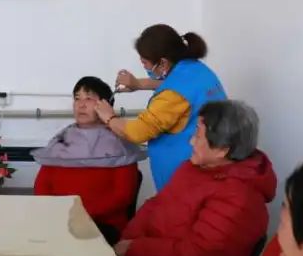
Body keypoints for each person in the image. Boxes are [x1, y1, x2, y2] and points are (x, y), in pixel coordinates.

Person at [113, 100, 275, 256]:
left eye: (198, 135)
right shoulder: (194, 168)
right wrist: (127, 243)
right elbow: (155, 205)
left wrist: (132, 249)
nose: (191, 142)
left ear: (222, 150)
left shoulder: (241, 199)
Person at [94, 24, 226, 193]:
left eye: (145, 62)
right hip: (211, 167)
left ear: (162, 62)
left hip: (185, 178)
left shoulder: (172, 96)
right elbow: (179, 86)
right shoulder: (196, 69)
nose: (144, 66)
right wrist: (139, 84)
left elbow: (138, 132)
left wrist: (109, 118)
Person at [32, 77, 146, 244]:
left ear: (105, 105)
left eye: (89, 99)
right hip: (61, 220)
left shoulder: (119, 143)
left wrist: (80, 215)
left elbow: (122, 195)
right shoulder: (62, 140)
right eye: (77, 98)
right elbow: (42, 185)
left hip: (103, 224)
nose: (81, 105)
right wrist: (56, 213)